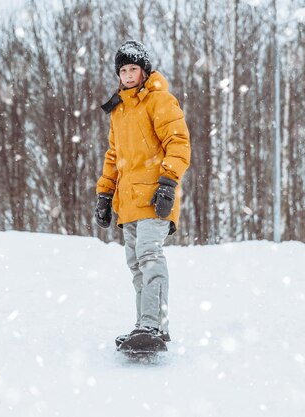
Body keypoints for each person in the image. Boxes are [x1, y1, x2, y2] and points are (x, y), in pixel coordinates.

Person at [95, 40, 191, 347]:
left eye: (133, 69)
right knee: (136, 265)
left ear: (144, 70)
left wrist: (167, 183)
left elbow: (178, 143)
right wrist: (105, 194)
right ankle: (144, 326)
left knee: (150, 256)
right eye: (123, 70)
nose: (127, 75)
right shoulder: (119, 111)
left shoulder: (159, 101)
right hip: (128, 202)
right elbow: (113, 157)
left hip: (155, 197)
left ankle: (154, 325)